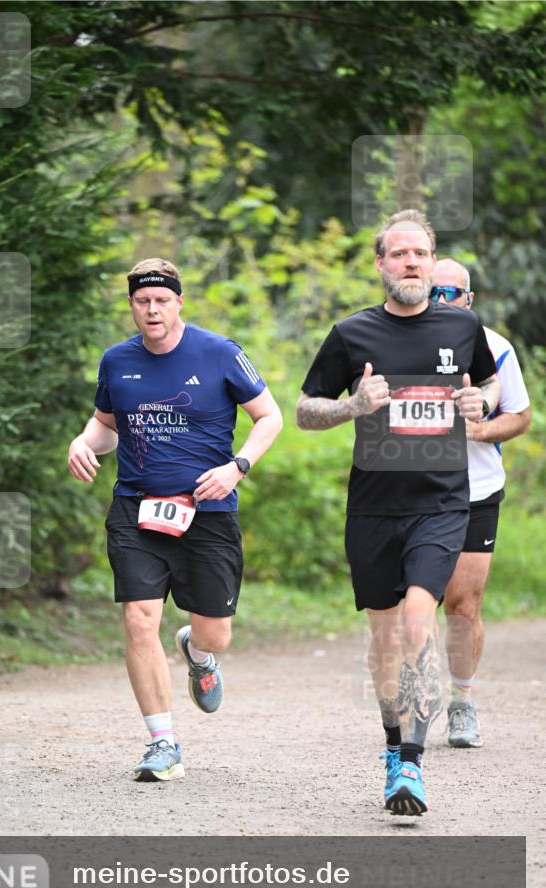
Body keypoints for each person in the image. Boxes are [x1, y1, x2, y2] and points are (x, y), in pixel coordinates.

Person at [296, 210, 500, 816]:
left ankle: (412, 761)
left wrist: (476, 401)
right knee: (385, 637)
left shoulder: (463, 326)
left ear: (433, 262)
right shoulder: (351, 334)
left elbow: (489, 386)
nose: (411, 263)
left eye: (421, 253)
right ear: (381, 264)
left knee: (418, 621)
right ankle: (393, 746)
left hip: (441, 503)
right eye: (400, 254)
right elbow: (306, 410)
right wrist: (355, 404)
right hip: (373, 509)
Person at [68, 257, 282, 782]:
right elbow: (107, 427)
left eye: (162, 300)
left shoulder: (220, 353)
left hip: (207, 511)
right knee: (140, 619)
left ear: (179, 302)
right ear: (132, 306)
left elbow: (269, 417)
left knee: (217, 634)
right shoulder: (117, 361)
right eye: (142, 301)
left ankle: (198, 653)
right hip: (136, 507)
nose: (152, 309)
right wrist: (82, 441)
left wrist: (238, 468)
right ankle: (162, 742)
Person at [431, 259, 531, 749]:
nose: (440, 300)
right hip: (407, 490)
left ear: (469, 299)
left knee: (463, 606)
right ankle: (409, 700)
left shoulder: (495, 346)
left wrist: (480, 430)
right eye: (432, 291)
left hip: (476, 489)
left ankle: (462, 702)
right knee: (403, 603)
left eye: (450, 292)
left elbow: (520, 416)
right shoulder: (392, 338)